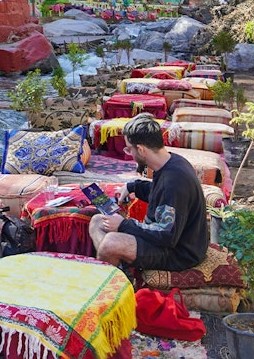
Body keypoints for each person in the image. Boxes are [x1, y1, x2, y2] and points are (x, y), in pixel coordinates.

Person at [88, 114, 208, 272]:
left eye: (129, 149)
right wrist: (132, 187)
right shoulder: (171, 162)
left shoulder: (173, 182)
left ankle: (112, 287)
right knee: (97, 222)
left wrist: (123, 225)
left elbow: (166, 235)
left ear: (141, 149)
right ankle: (119, 270)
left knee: (110, 243)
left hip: (179, 253)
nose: (129, 153)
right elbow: (158, 192)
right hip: (165, 237)